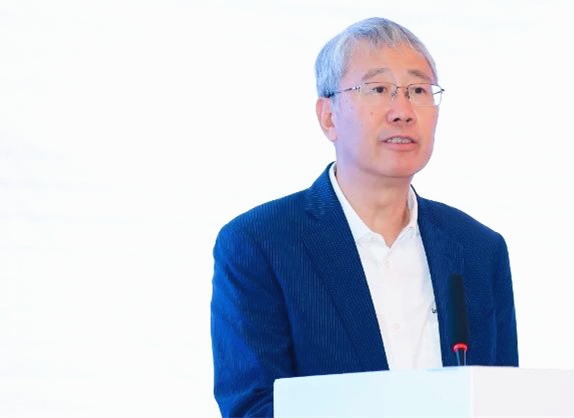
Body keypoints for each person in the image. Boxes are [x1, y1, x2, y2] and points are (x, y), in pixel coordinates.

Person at [210, 17, 518, 417]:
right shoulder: (261, 243)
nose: (403, 111)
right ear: (328, 117)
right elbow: (253, 407)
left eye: (418, 91)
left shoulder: (479, 249)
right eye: (378, 89)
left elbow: (503, 399)